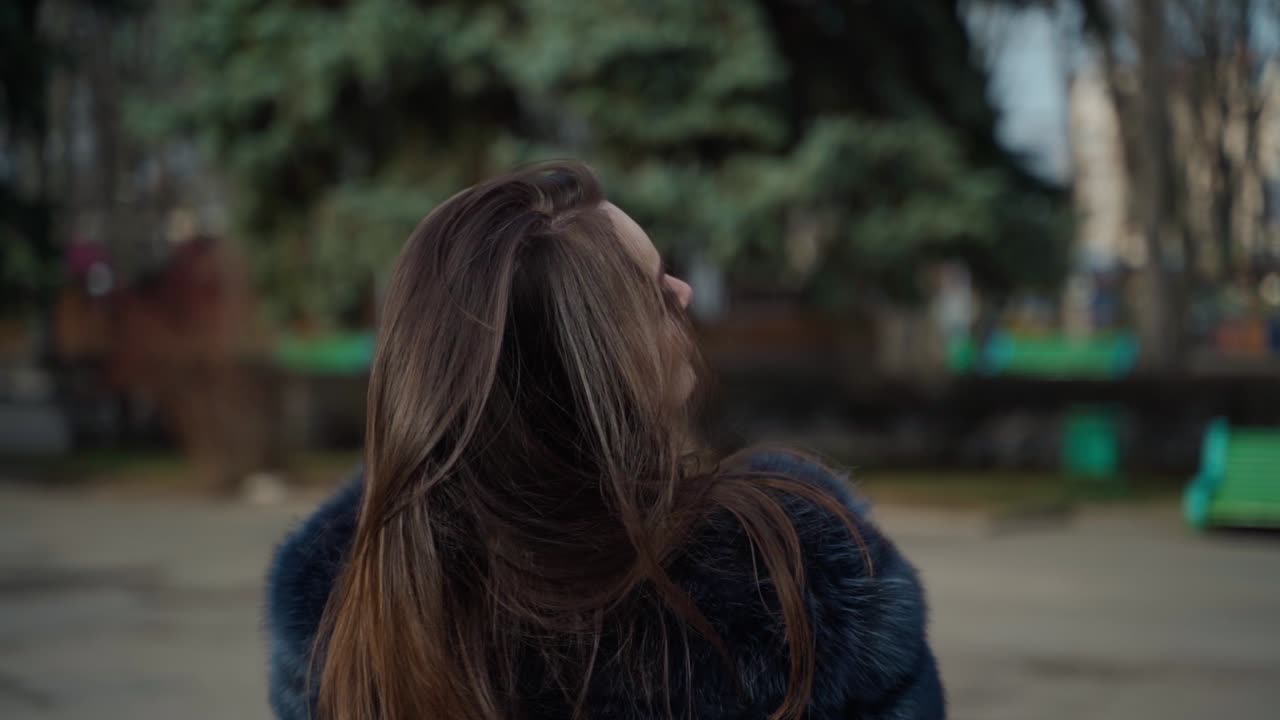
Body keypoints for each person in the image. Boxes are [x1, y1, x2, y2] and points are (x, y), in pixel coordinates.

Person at [266, 162, 944, 720]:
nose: (681, 293)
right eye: (649, 293)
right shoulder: (794, 573)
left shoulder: (352, 609)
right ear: (582, 372)